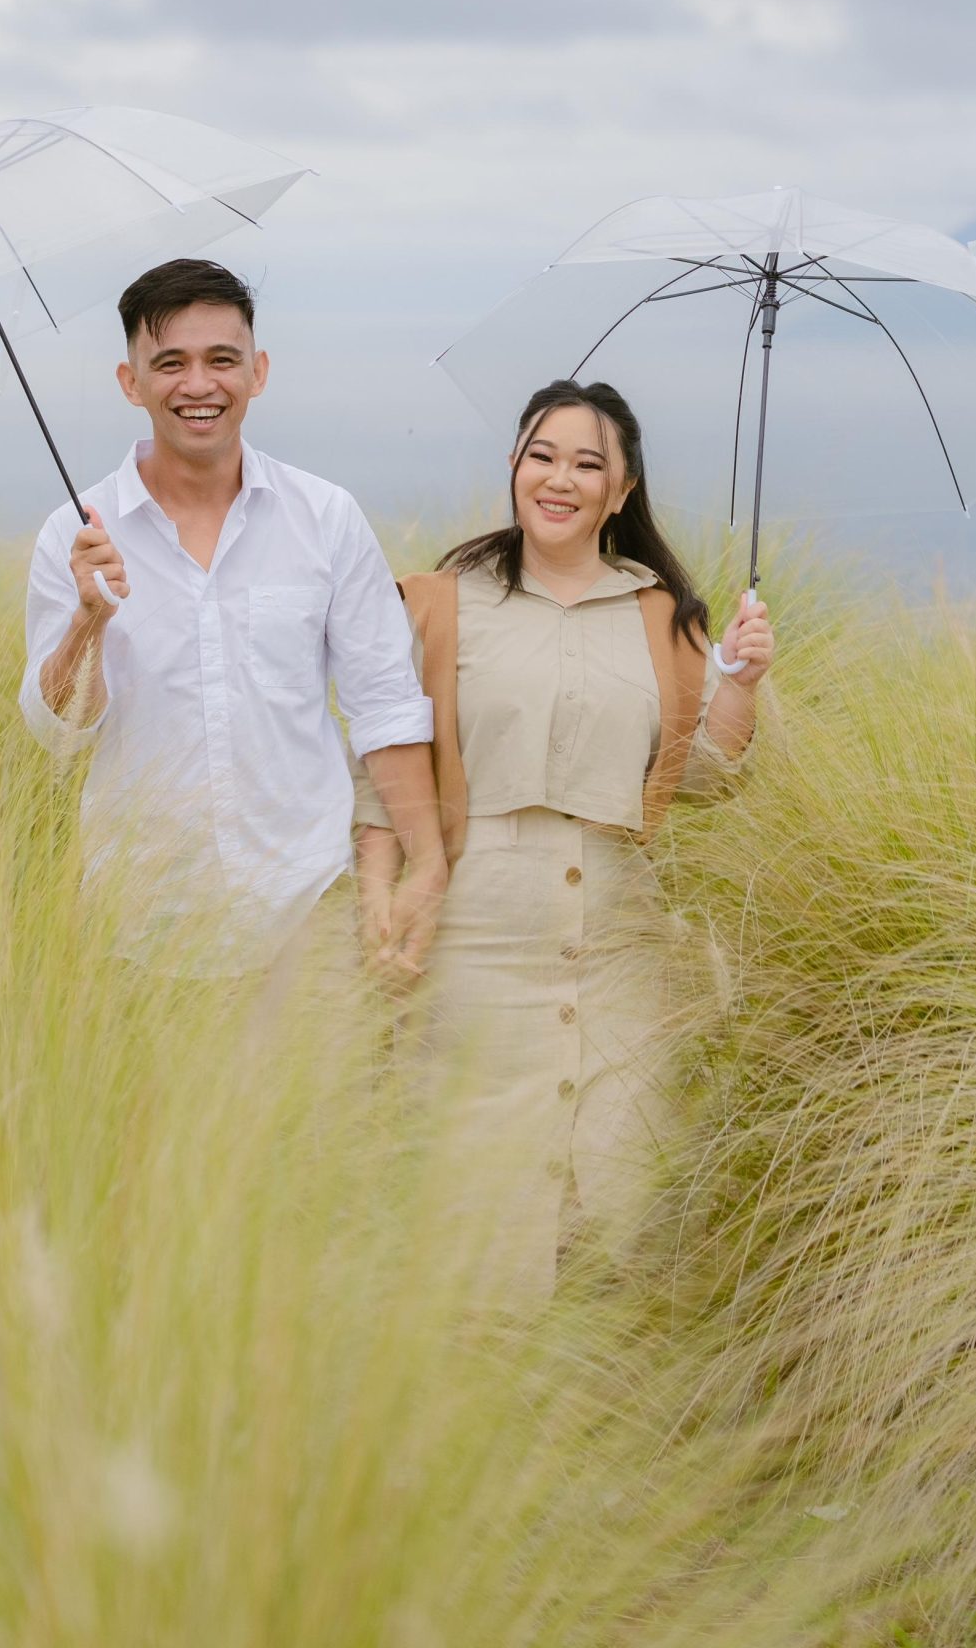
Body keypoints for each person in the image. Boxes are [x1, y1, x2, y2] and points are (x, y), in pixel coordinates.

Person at [355, 377, 774, 1305]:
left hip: (620, 943)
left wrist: (741, 682)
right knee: (469, 1204)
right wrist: (379, 896)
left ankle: (597, 1383)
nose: (560, 479)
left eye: (588, 464)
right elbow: (383, 775)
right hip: (474, 940)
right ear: (513, 465)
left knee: (616, 1198)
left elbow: (710, 779)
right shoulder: (438, 603)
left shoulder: (664, 618)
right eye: (542, 456)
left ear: (621, 492)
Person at [21, 257, 447, 972]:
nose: (199, 385)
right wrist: (88, 621)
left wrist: (426, 862)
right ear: (131, 382)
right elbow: (59, 733)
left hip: (309, 912)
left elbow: (385, 705)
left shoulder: (326, 516)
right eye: (170, 363)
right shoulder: (74, 535)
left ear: (258, 371)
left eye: (222, 360)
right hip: (139, 927)